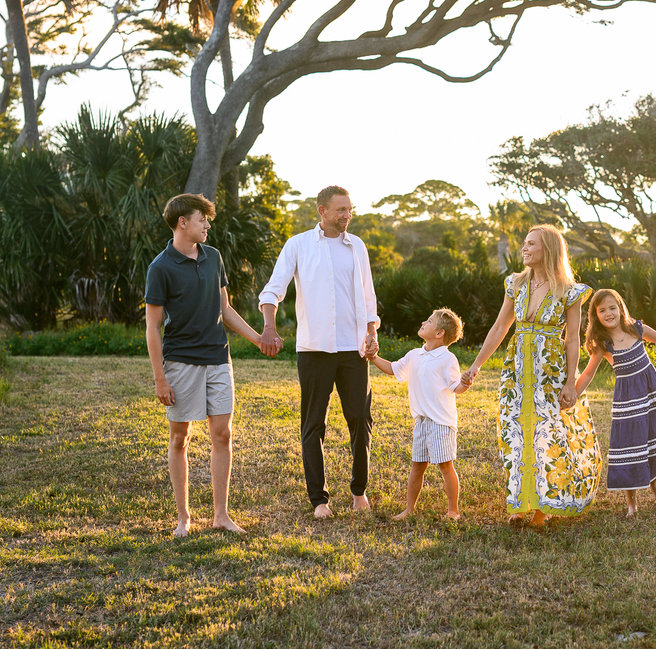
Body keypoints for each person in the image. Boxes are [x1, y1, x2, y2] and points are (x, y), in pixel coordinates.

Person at [144, 193, 270, 537]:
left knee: (222, 433)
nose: (207, 225)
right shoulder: (160, 267)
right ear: (182, 222)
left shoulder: (214, 257)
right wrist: (160, 379)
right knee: (180, 437)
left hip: (218, 357)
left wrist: (257, 338)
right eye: (202, 219)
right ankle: (184, 517)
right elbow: (152, 327)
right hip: (181, 360)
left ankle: (220, 515)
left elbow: (225, 310)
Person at [461, 225, 601, 528]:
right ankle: (521, 502)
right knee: (517, 433)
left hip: (550, 371)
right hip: (517, 370)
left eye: (531, 244)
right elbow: (500, 328)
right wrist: (475, 366)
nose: (524, 249)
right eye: (524, 243)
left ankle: (543, 506)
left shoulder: (570, 291)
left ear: (547, 250)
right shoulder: (516, 284)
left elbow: (573, 339)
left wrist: (570, 382)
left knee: (546, 434)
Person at [258, 185, 380, 519]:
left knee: (360, 418)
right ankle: (319, 500)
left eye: (350, 209)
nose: (347, 215)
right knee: (314, 424)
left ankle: (359, 492)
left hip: (352, 350)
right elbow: (273, 289)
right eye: (341, 210)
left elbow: (368, 297)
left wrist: (371, 333)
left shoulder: (357, 247)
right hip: (313, 349)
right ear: (322, 211)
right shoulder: (297, 245)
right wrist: (269, 326)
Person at [575, 287, 656, 517]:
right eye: (602, 310)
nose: (609, 313)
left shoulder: (636, 329)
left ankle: (654, 484)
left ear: (620, 307)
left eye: (612, 308)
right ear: (595, 315)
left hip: (650, 395)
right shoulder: (603, 343)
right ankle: (631, 502)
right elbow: (587, 374)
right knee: (630, 445)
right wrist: (572, 393)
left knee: (650, 439)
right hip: (628, 401)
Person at [367, 308, 471, 521]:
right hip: (421, 422)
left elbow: (455, 388)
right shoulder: (415, 354)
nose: (424, 321)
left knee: (445, 465)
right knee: (417, 466)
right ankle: (409, 509)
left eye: (429, 321)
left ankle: (453, 510)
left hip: (441, 422)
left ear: (439, 333)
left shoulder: (447, 359)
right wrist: (373, 357)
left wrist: (464, 383)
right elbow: (393, 368)